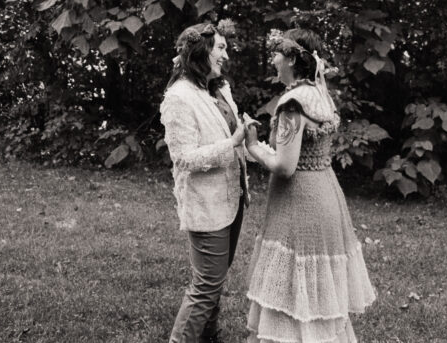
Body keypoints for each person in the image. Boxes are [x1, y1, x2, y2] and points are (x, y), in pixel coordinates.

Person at [242, 28, 375, 342]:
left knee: (290, 288)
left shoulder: (292, 104)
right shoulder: (320, 94)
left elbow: (285, 166)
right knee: (317, 291)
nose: (273, 60)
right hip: (327, 195)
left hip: (299, 203)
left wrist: (253, 146)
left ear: (291, 59)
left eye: (277, 54)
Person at [161, 21, 249, 343]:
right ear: (202, 51)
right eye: (221, 48)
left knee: (216, 281)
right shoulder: (179, 97)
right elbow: (184, 158)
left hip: (233, 201)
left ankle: (210, 338)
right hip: (206, 205)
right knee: (205, 286)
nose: (226, 55)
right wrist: (233, 142)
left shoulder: (219, 88)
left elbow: (234, 137)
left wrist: (252, 143)